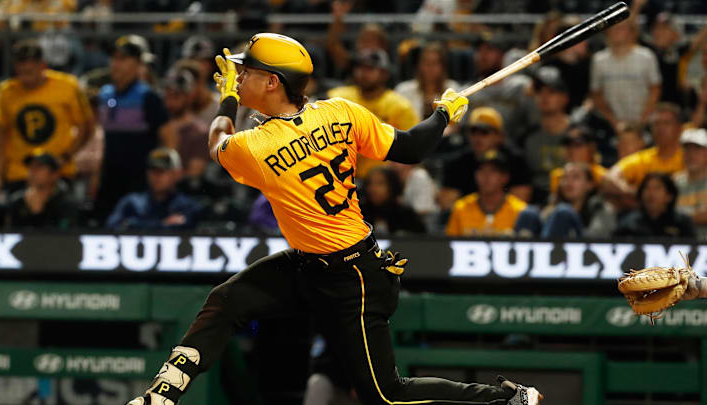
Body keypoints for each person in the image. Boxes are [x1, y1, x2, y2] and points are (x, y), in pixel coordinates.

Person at [127, 33, 542, 405]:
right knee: (226, 300)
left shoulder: (254, 147)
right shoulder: (340, 111)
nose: (239, 76)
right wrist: (442, 116)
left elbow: (217, 137)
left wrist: (227, 101)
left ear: (273, 82)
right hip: (311, 264)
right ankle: (161, 397)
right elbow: (412, 149)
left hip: (353, 278)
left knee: (385, 397)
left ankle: (506, 401)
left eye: (248, 71)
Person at [0, 39, 94, 196]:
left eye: (30, 72)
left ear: (43, 66)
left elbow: (86, 126)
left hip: (57, 172)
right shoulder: (7, 91)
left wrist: (65, 157)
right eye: (20, 72)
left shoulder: (67, 86)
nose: (25, 78)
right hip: (19, 174)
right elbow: (0, 137)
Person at [95, 35, 169, 222]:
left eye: (123, 59)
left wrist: (162, 174)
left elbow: (168, 137)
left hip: (139, 177)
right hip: (110, 175)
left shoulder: (148, 97)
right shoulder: (104, 94)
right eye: (114, 58)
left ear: (137, 65)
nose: (116, 64)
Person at [328, 49, 419, 178]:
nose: (363, 73)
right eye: (360, 67)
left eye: (370, 69)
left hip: (383, 180)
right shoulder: (337, 97)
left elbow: (412, 148)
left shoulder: (400, 106)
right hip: (337, 174)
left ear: (384, 74)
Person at [441, 107, 532, 207]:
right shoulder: (458, 164)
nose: (478, 137)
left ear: (500, 136)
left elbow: (520, 201)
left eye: (484, 132)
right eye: (473, 131)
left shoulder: (516, 162)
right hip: (468, 219)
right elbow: (447, 203)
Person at [590, 12, 661, 130]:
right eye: (613, 28)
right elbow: (596, 94)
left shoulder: (647, 56)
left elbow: (655, 90)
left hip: (644, 122)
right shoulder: (598, 60)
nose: (617, 31)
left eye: (622, 28)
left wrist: (642, 120)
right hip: (610, 125)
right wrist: (614, 121)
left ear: (632, 32)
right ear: (607, 32)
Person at [604, 103, 685, 203]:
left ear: (679, 128)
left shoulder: (690, 156)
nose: (660, 128)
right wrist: (633, 192)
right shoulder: (643, 158)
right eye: (656, 124)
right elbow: (609, 178)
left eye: (666, 123)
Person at [105, 148, 201, 230]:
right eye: (152, 171)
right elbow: (112, 227)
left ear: (177, 174)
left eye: (161, 171)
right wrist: (162, 224)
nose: (156, 176)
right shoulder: (131, 203)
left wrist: (133, 223)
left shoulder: (187, 206)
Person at [445, 150, 534, 237]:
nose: (486, 176)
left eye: (493, 171)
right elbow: (448, 245)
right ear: (475, 175)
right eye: (482, 170)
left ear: (505, 177)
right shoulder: (461, 208)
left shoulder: (520, 211)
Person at [522, 66, 572, 204]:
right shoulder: (527, 137)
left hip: (571, 198)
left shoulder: (578, 135)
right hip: (536, 200)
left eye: (552, 92)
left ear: (565, 98)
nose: (544, 97)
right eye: (539, 91)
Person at [4, 150, 77, 229]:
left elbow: (65, 237)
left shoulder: (66, 203)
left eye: (38, 168)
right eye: (30, 167)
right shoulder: (18, 201)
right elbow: (12, 234)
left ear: (54, 175)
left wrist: (38, 213)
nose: (32, 172)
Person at [541, 162, 616, 239]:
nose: (568, 182)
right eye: (565, 177)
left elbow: (596, 238)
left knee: (564, 212)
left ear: (590, 185)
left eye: (576, 177)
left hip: (584, 248)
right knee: (530, 213)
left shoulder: (600, 208)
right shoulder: (552, 210)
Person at [614, 172, 696, 238]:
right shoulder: (628, 224)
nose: (651, 193)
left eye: (657, 188)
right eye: (647, 188)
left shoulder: (682, 223)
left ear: (669, 196)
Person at [395, 42, 461, 120]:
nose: (430, 67)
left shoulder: (453, 89)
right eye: (426, 62)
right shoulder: (403, 90)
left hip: (445, 132)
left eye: (435, 63)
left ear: (443, 67)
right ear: (419, 65)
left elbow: (455, 123)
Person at [360, 166, 426, 235]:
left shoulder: (406, 215)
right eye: (369, 183)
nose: (373, 189)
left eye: (380, 183)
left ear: (392, 186)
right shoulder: (359, 214)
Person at [548, 125, 606, 195]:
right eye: (567, 144)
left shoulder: (603, 176)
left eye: (577, 144)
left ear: (591, 147)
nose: (571, 149)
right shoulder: (558, 176)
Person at [673, 128, 707, 240]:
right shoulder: (673, 182)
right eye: (687, 149)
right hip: (679, 244)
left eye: (697, 149)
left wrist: (682, 220)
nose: (691, 154)